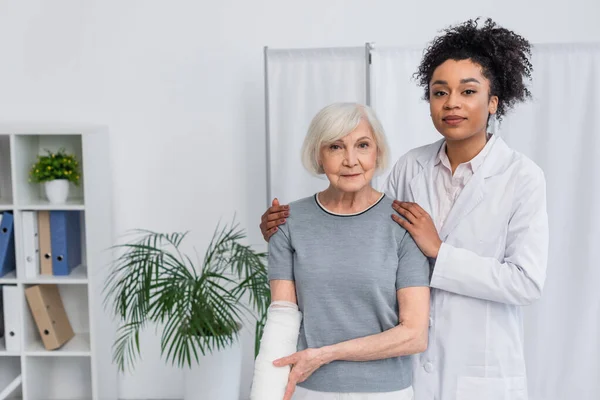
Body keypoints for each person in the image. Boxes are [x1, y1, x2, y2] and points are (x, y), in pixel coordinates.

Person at [259, 18, 549, 400]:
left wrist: (439, 252)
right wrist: (287, 231)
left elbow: (526, 282)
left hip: (481, 367)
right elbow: (371, 234)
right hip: (403, 372)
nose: (452, 103)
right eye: (440, 92)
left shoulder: (522, 176)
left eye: (468, 91)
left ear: (494, 101)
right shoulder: (411, 167)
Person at [250, 102, 431, 400]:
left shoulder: (403, 224)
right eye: (335, 147)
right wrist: (265, 393)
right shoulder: (287, 222)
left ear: (378, 152)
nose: (350, 160)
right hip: (309, 389)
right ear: (318, 156)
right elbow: (282, 318)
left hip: (385, 392)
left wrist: (325, 354)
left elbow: (414, 335)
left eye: (362, 145)